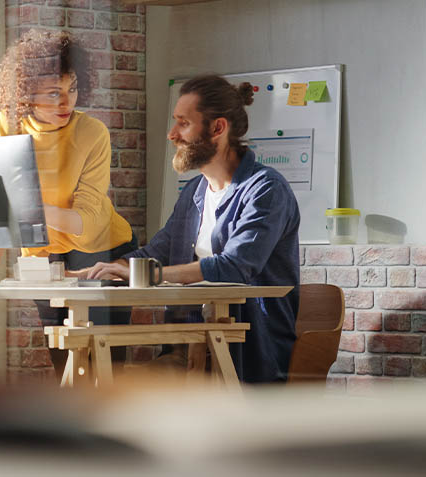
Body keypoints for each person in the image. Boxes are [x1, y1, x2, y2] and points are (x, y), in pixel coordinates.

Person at [86, 75, 300, 383]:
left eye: (183, 123)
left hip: (247, 354)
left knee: (117, 393)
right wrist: (102, 269)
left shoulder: (266, 190)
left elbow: (235, 267)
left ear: (217, 128)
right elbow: (156, 252)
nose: (172, 135)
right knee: (102, 385)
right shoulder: (194, 193)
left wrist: (148, 275)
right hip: (189, 347)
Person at [0, 30, 136, 373]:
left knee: (106, 363)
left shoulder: (92, 133)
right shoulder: (8, 125)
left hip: (102, 250)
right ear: (26, 94)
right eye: (53, 93)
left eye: (72, 89)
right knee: (64, 360)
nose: (67, 102)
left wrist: (32, 210)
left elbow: (89, 219)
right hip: (44, 256)